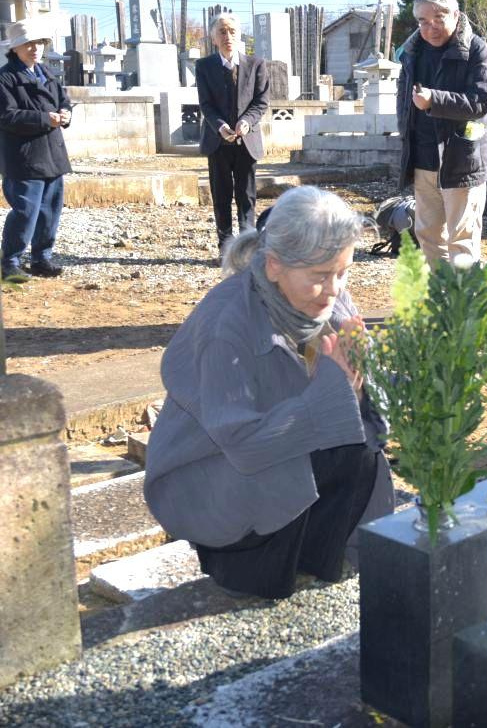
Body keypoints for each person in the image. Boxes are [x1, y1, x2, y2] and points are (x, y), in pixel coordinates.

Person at [144, 186, 394, 599]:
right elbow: (244, 444)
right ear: (274, 265)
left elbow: (360, 414)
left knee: (358, 449)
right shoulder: (227, 324)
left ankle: (314, 562)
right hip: (213, 474)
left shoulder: (329, 300)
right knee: (306, 456)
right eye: (319, 277)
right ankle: (251, 569)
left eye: (343, 272)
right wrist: (335, 389)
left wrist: (365, 377)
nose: (334, 289)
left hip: (277, 445)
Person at [396, 0, 487, 267]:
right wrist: (405, 134)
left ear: (455, 14)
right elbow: (404, 101)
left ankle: (464, 307)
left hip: (461, 160)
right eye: (423, 21)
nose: (430, 28)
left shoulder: (477, 50)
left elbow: (481, 102)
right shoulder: (411, 52)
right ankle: (442, 301)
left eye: (438, 18)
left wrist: (434, 101)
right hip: (422, 159)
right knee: (427, 234)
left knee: (462, 239)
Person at [0, 18, 73, 281]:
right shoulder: (5, 78)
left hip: (52, 152)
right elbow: (6, 116)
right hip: (24, 154)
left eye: (39, 42)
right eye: (28, 43)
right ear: (15, 49)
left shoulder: (46, 73)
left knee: (50, 210)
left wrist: (66, 113)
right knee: (26, 211)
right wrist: (45, 119)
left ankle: (42, 258)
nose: (35, 48)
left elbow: (64, 100)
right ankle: (9, 262)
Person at [195, 12, 269, 263]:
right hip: (218, 141)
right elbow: (205, 103)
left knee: (246, 196)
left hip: (247, 140)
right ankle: (226, 249)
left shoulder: (256, 64)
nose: (228, 36)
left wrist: (247, 121)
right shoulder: (204, 66)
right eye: (222, 32)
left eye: (232, 32)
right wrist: (220, 126)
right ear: (214, 37)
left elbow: (261, 101)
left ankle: (247, 249)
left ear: (240, 36)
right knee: (221, 195)